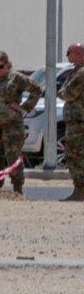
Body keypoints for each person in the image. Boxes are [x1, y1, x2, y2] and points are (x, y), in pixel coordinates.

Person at [0, 52, 42, 196]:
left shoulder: (16, 78)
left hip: (12, 124)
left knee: (12, 156)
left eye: (1, 66)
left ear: (7, 65)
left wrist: (24, 107)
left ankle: (17, 189)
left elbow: (36, 89)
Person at [58, 42, 84, 202]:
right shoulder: (76, 71)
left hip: (79, 123)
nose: (67, 55)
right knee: (74, 155)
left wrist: (62, 91)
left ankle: (80, 190)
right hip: (75, 121)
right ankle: (79, 189)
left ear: (79, 53)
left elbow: (68, 93)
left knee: (76, 156)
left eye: (69, 52)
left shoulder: (81, 73)